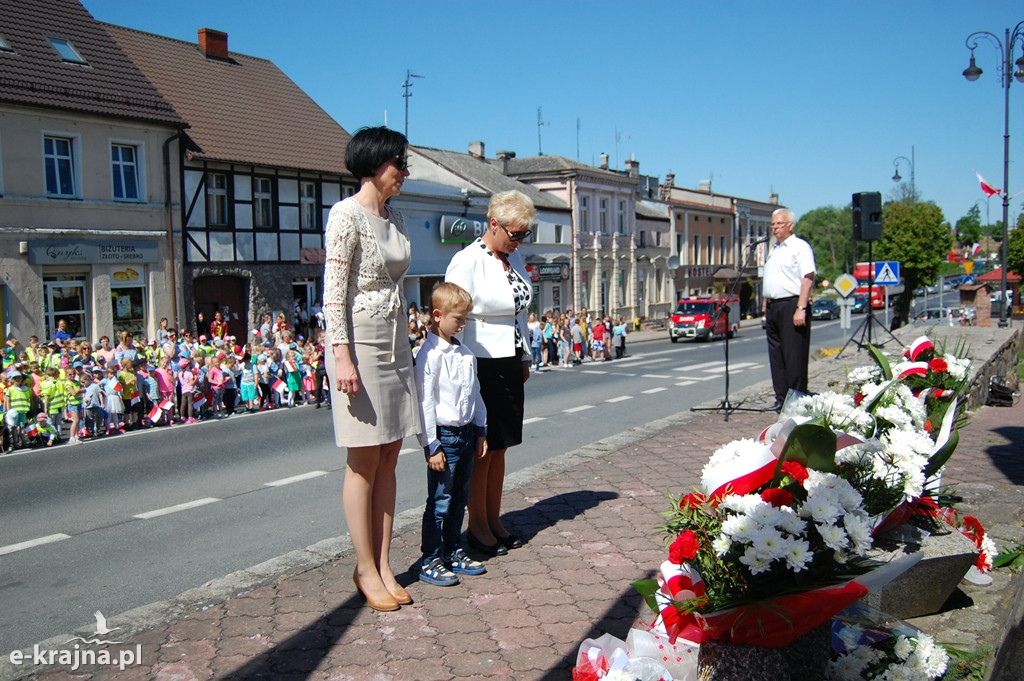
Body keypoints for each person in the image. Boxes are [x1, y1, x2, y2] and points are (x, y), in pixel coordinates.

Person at [322, 126, 421, 612]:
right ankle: (364, 568)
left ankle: (384, 563)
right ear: (375, 163)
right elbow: (333, 293)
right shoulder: (345, 216)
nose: (405, 172)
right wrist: (341, 355)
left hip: (395, 344)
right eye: (399, 163)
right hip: (358, 345)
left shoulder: (395, 215)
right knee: (363, 459)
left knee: (390, 455)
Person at [445, 189, 533, 557]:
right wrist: (457, 367)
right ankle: (476, 524)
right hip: (481, 362)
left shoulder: (515, 259)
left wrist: (526, 355)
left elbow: (520, 312)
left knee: (501, 448)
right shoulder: (467, 260)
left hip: (511, 359)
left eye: (524, 234)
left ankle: (494, 518)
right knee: (482, 448)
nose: (518, 241)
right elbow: (452, 314)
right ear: (493, 224)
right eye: (514, 233)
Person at [414, 283, 488, 587]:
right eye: (458, 319)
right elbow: (424, 402)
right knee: (440, 500)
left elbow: (475, 393)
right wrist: (432, 445)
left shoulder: (464, 353)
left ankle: (453, 549)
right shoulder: (429, 355)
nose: (463, 324)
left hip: (466, 434)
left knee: (460, 497)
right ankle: (430, 557)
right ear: (437, 315)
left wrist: (481, 429)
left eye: (465, 319)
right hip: (443, 438)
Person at [762, 207, 816, 412]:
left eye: (779, 224)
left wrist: (801, 307)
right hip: (774, 306)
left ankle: (797, 398)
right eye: (773, 224)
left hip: (791, 303)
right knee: (776, 354)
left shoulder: (799, 247)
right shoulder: (773, 249)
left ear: (790, 225)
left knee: (794, 354)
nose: (775, 228)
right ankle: (781, 398)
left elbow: (807, 278)